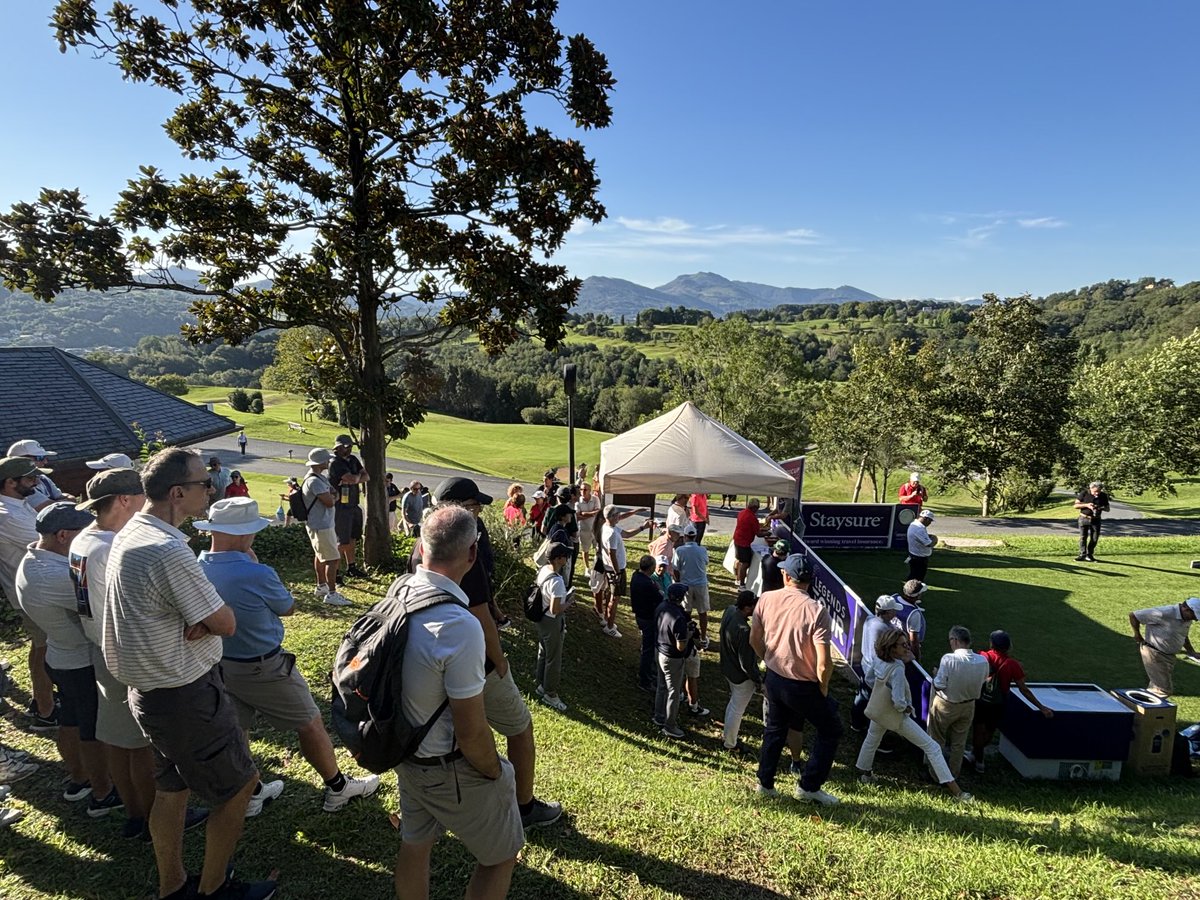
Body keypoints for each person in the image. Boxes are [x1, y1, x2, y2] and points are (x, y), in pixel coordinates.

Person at [103, 447, 276, 900]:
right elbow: (226, 623)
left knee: (172, 789)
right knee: (239, 789)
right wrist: (200, 621)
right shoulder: (167, 551)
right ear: (178, 492)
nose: (212, 488)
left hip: (148, 692)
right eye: (204, 483)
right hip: (185, 695)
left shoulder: (130, 532)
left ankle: (172, 885)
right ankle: (215, 889)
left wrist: (193, 620)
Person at [195, 498, 380, 812]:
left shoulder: (196, 566)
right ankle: (337, 787)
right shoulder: (256, 572)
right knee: (310, 723)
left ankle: (251, 792)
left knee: (238, 729)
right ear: (242, 534)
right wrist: (254, 566)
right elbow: (288, 607)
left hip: (220, 663)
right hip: (264, 666)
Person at [393, 504, 523, 900]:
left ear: (421, 545)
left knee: (415, 844)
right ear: (471, 554)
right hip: (445, 766)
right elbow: (470, 731)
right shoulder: (461, 626)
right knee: (502, 855)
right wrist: (496, 772)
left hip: (406, 752)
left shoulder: (399, 591)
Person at [430, 476, 561, 830]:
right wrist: (499, 658)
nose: (478, 515)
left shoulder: (427, 543)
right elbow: (477, 612)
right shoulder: (461, 549)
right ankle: (524, 806)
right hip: (475, 658)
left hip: (435, 652)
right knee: (519, 728)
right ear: (455, 510)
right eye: (473, 508)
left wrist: (496, 607)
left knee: (458, 731)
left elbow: (481, 597)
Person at [71, 467, 191, 840]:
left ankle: (134, 810)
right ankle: (149, 815)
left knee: (117, 740)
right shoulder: (113, 547)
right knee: (140, 747)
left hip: (98, 646)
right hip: (124, 653)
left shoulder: (82, 540)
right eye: (142, 496)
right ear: (125, 500)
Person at [17, 501, 120, 815]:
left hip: (61, 655)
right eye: (84, 531)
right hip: (80, 660)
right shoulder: (57, 574)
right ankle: (102, 793)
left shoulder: (33, 559)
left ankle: (79, 778)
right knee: (92, 728)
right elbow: (105, 606)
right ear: (63, 535)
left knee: (71, 719)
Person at [751, 554, 842, 805]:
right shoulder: (816, 610)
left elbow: (754, 640)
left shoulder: (767, 599)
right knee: (831, 729)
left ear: (786, 576)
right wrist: (822, 687)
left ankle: (765, 783)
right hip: (802, 683)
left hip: (774, 676)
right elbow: (824, 662)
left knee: (775, 729)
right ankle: (809, 786)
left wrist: (767, 657)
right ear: (809, 581)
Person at [854, 629, 974, 802]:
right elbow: (898, 701)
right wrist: (907, 709)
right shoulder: (897, 668)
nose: (907, 648)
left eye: (907, 644)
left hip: (879, 711)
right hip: (896, 716)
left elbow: (870, 680)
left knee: (872, 739)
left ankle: (864, 773)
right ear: (892, 647)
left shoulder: (879, 659)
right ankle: (957, 792)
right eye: (903, 645)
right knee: (931, 747)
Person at [0, 456, 58, 730]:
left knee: (40, 647)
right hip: (31, 594)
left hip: (34, 590)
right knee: (46, 650)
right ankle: (46, 713)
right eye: (31, 479)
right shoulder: (6, 515)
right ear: (10, 483)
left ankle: (41, 701)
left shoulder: (19, 505)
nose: (37, 483)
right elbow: (52, 542)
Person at [965, 630, 1053, 775]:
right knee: (989, 731)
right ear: (1008, 646)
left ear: (992, 644)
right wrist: (1042, 707)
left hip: (980, 700)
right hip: (998, 704)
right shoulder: (1013, 665)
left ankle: (978, 760)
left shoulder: (983, 656)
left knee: (978, 730)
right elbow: (1024, 689)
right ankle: (977, 755)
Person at [928, 626, 989, 779]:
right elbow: (983, 681)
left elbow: (939, 684)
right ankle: (953, 774)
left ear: (954, 640)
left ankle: (936, 774)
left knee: (937, 739)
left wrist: (935, 676)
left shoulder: (949, 659)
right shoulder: (982, 661)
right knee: (959, 743)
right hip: (968, 705)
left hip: (946, 704)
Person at [596, 504, 653, 639]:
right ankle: (609, 626)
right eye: (617, 514)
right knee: (615, 599)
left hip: (612, 569)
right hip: (616, 570)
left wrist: (642, 527)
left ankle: (607, 621)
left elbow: (626, 534)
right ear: (612, 516)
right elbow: (612, 554)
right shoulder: (611, 534)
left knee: (611, 596)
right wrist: (618, 573)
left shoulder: (608, 527)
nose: (619, 517)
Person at [301, 449, 348, 606]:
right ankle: (332, 594)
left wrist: (333, 495)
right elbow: (330, 501)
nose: (328, 462)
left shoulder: (318, 478)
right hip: (321, 525)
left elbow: (334, 494)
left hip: (321, 524)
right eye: (326, 460)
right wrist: (333, 496)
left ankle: (322, 586)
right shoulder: (314, 481)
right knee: (332, 559)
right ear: (320, 462)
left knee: (321, 555)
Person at [850, 595, 903, 734]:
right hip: (875, 670)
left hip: (865, 664)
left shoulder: (870, 620)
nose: (895, 613)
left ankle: (856, 723)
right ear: (887, 612)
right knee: (874, 702)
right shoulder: (885, 628)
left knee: (862, 697)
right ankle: (870, 730)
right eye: (893, 611)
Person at [1128, 598, 1199, 697]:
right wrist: (1137, 635)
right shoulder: (1164, 613)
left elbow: (1183, 635)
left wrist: (1191, 652)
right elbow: (1134, 615)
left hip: (1168, 656)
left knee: (1155, 688)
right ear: (1186, 609)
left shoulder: (1186, 619)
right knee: (1163, 690)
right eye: (1194, 616)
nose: (1195, 619)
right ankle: (1150, 711)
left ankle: (1144, 709)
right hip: (1154, 654)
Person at [720, 590, 762, 753]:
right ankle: (730, 744)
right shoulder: (744, 631)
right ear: (747, 608)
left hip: (728, 669)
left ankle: (727, 736)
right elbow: (747, 665)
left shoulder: (729, 610)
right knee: (737, 710)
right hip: (741, 678)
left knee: (733, 706)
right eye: (754, 605)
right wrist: (758, 680)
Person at [533, 542, 573, 712]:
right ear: (558, 559)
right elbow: (555, 609)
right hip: (552, 621)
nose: (567, 559)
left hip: (541, 620)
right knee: (554, 658)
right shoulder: (557, 581)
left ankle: (541, 684)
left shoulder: (544, 570)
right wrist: (569, 601)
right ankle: (550, 693)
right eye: (565, 556)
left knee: (543, 652)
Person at [653, 583, 692, 740]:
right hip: (672, 659)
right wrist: (689, 633)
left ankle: (659, 716)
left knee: (661, 686)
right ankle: (670, 726)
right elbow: (681, 646)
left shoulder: (661, 606)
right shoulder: (679, 618)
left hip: (659, 651)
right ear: (681, 598)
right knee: (673, 692)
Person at [329, 434, 368, 578]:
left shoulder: (353, 460)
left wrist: (355, 479)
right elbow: (352, 477)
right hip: (341, 506)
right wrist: (356, 478)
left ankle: (351, 567)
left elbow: (366, 476)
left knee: (353, 537)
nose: (349, 449)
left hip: (354, 504)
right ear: (338, 448)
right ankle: (336, 572)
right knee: (341, 540)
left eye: (350, 446)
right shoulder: (335, 463)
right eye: (346, 447)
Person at [672, 523, 711, 645]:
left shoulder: (680, 551)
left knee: (686, 612)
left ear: (685, 537)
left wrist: (678, 582)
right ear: (695, 536)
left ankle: (685, 636)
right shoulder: (702, 550)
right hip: (700, 584)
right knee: (702, 612)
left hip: (686, 585)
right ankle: (703, 638)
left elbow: (675, 569)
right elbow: (706, 562)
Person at [8, 439, 73, 509]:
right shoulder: (20, 485)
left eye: (45, 457)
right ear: (21, 460)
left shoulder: (42, 478)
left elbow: (69, 498)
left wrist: (57, 503)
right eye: (40, 458)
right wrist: (62, 502)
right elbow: (46, 508)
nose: (45, 462)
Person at [630, 555, 663, 694]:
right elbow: (659, 597)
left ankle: (649, 672)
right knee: (648, 649)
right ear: (651, 568)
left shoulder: (636, 576)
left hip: (640, 615)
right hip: (648, 618)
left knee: (648, 647)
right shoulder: (648, 584)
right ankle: (645, 679)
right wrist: (658, 590)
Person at [1074, 481, 1111, 562]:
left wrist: (1099, 507)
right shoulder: (1084, 493)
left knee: (1094, 538)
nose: (1097, 493)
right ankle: (1082, 554)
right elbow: (1076, 505)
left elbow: (1107, 509)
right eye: (1095, 491)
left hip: (1096, 519)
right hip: (1084, 518)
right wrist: (1087, 505)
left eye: (1099, 491)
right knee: (1083, 537)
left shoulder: (1103, 495)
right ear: (1090, 489)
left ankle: (1089, 555)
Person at [732, 497, 764, 588]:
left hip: (737, 539)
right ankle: (742, 584)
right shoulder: (752, 517)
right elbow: (758, 534)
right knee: (745, 563)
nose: (757, 510)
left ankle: (737, 579)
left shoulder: (742, 513)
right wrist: (767, 533)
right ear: (754, 507)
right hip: (744, 543)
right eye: (757, 508)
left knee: (738, 559)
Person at [574, 481, 601, 570]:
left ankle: (597, 565)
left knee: (598, 548)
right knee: (585, 550)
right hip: (584, 530)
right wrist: (592, 513)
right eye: (581, 489)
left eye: (585, 489)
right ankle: (587, 568)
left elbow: (598, 511)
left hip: (596, 529)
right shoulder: (578, 502)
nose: (582, 491)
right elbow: (577, 515)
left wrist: (584, 513)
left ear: (590, 490)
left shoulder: (595, 499)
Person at [906, 509, 937, 582]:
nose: (930, 523)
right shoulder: (919, 529)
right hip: (919, 558)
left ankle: (910, 590)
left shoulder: (915, 524)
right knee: (917, 577)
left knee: (914, 575)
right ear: (925, 519)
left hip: (915, 555)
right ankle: (912, 591)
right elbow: (929, 544)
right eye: (930, 521)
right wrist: (935, 539)